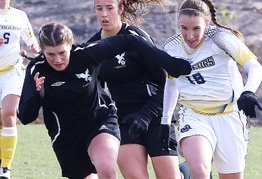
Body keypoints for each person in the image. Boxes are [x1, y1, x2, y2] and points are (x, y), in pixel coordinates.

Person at [17, 22, 191, 179]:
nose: (58, 59)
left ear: (70, 44)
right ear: (42, 50)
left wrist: (169, 63)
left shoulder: (87, 54)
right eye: (51, 54)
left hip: (99, 122)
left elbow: (130, 41)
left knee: (107, 169)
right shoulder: (37, 69)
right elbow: (25, 117)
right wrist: (36, 95)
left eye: (62, 52)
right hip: (66, 136)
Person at [160, 0, 262, 179]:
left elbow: (255, 67)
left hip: (229, 115)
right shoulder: (171, 47)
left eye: (195, 29)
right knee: (200, 171)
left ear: (206, 24)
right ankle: (190, 171)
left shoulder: (220, 38)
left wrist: (248, 92)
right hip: (193, 114)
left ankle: (185, 172)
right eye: (183, 28)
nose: (189, 35)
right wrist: (166, 121)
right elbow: (171, 83)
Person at [87, 0, 182, 179]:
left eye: (109, 8)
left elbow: (167, 83)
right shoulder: (93, 47)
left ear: (121, 8)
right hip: (124, 119)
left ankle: (184, 174)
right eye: (99, 8)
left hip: (156, 113)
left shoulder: (137, 38)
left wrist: (146, 115)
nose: (104, 14)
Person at [0, 0, 39, 178]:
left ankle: (5, 168)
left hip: (13, 71)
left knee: (9, 113)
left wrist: (34, 47)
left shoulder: (20, 16)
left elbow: (32, 41)